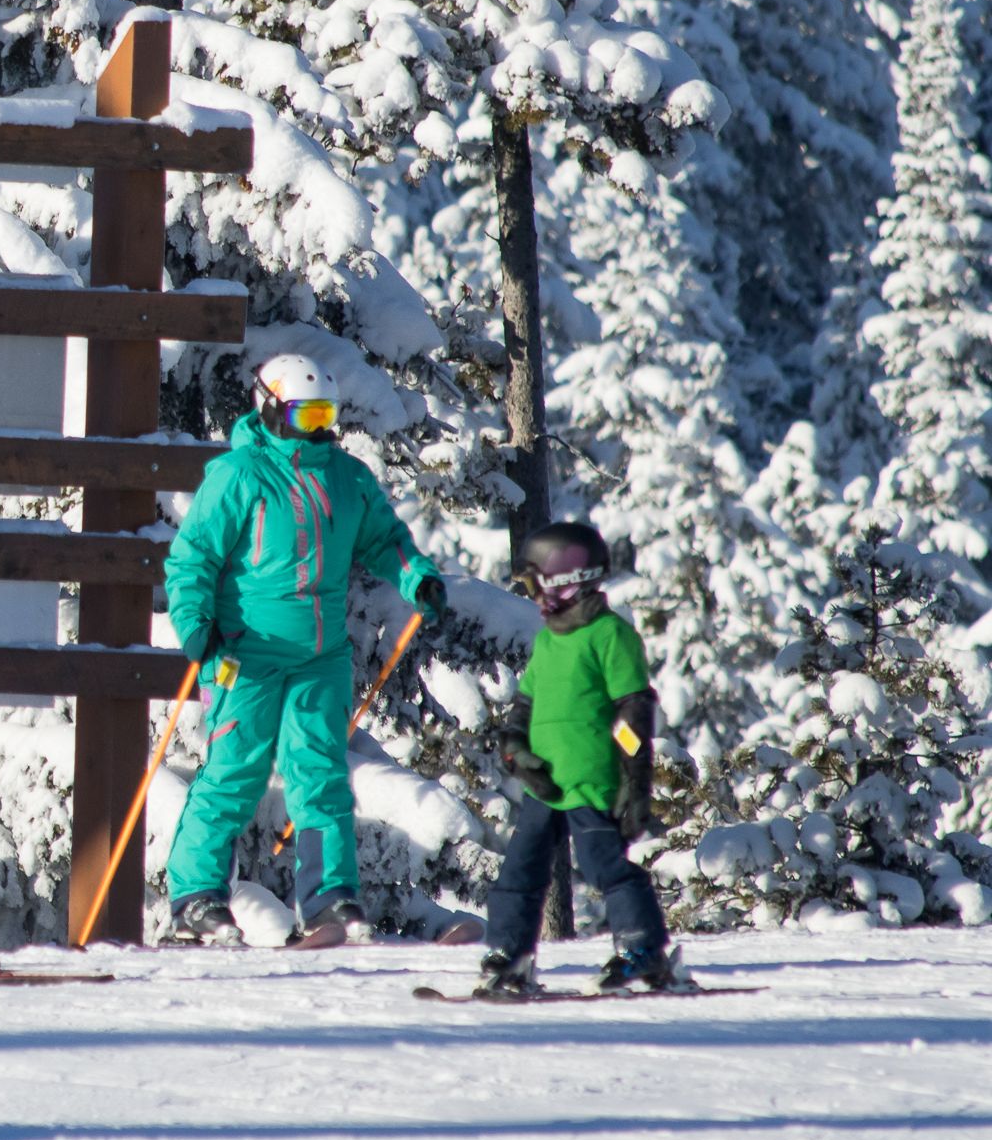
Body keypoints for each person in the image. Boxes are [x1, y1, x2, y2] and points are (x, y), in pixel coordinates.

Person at [161, 354, 445, 947]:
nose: (318, 427)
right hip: (247, 653)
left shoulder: (347, 477)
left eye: (326, 415)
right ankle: (196, 899)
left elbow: (385, 540)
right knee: (233, 775)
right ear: (270, 408)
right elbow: (194, 558)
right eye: (305, 414)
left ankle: (329, 900)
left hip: (320, 657)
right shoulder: (239, 474)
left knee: (320, 777)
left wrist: (416, 575)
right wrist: (194, 621)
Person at [475, 521, 691, 997]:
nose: (531, 596)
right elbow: (524, 708)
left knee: (604, 867)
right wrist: (515, 751)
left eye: (534, 584)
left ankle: (643, 951)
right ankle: (507, 956)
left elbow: (629, 716)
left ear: (562, 581)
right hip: (545, 785)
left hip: (592, 780)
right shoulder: (549, 640)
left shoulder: (610, 636)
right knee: (520, 870)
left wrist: (634, 781)